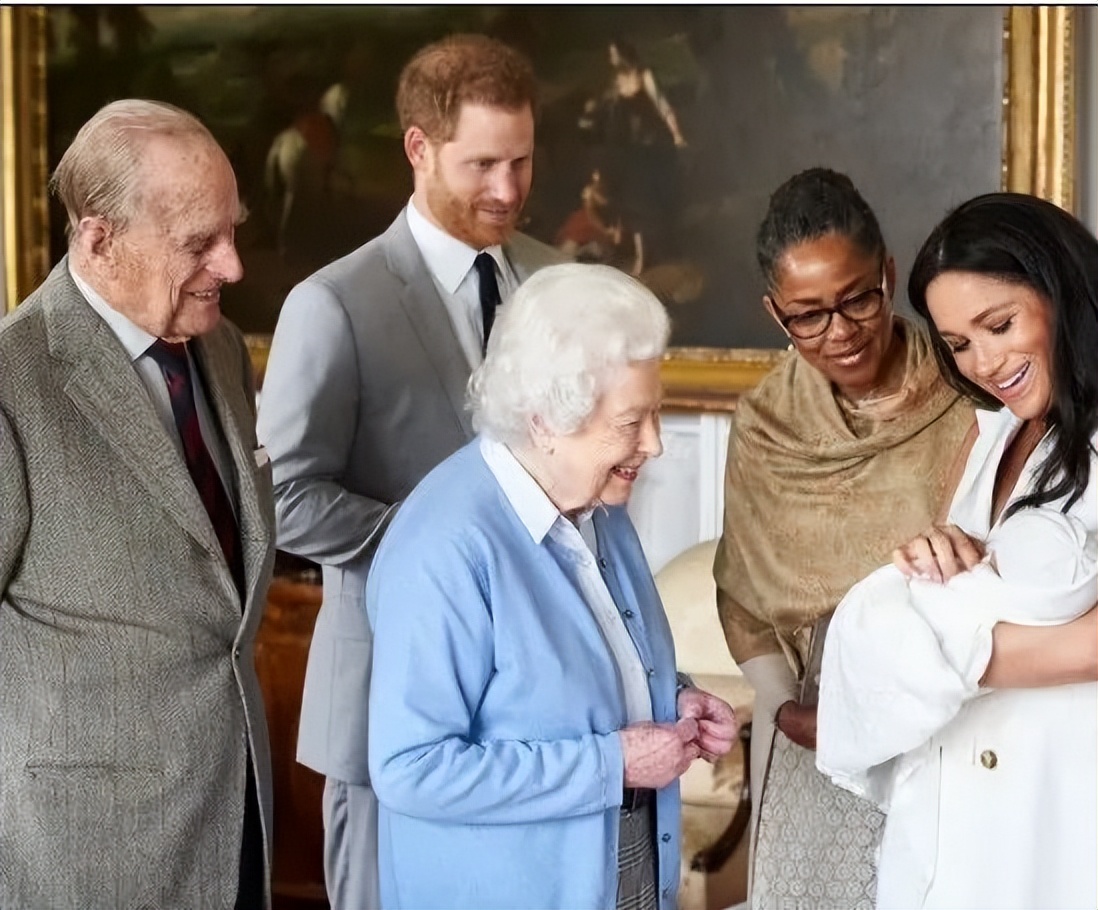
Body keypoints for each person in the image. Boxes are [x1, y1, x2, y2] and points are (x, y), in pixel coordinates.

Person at [255, 33, 563, 910]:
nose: (507, 190)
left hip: (536, 717)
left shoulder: (555, 277)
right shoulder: (332, 304)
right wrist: (446, 541)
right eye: (482, 165)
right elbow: (280, 501)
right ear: (418, 149)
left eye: (524, 161)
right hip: (387, 706)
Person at [366, 263, 738, 910]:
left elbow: (571, 682)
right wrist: (611, 766)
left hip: (620, 872)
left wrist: (672, 700)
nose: (652, 444)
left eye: (656, 413)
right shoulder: (444, 547)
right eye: (631, 422)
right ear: (544, 420)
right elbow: (411, 770)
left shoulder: (600, 506)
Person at [0, 99, 275, 908]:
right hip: (86, 851)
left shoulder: (220, 347)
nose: (232, 267)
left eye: (233, 231)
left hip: (238, 809)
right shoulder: (14, 382)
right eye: (199, 242)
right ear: (99, 237)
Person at [817, 191, 1098, 909]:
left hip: (1056, 800)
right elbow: (953, 580)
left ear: (1062, 291)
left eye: (999, 325)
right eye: (959, 344)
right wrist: (936, 550)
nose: (985, 362)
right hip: (954, 791)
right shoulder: (992, 435)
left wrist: (935, 652)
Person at [711, 168, 975, 907]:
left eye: (859, 297)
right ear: (774, 313)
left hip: (949, 714)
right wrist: (787, 709)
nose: (842, 331)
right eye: (809, 315)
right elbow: (742, 595)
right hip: (810, 728)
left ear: (889, 273)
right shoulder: (765, 426)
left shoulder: (969, 394)